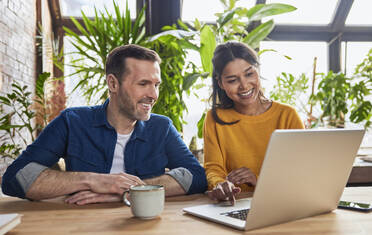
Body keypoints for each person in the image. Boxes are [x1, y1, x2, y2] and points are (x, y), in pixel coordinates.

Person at [1, 44, 207, 205]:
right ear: (113, 83)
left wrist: (130, 192)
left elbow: (197, 176)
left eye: (156, 85)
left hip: (144, 227)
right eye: (143, 84)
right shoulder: (72, 121)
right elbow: (14, 179)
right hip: (82, 227)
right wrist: (95, 181)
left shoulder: (162, 127)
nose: (153, 95)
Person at [204, 42, 304, 205]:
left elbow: (299, 174)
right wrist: (220, 185)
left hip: (282, 203)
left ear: (257, 71)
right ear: (221, 83)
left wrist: (258, 181)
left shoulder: (287, 116)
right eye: (232, 80)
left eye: (249, 74)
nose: (244, 85)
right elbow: (214, 168)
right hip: (235, 205)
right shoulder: (214, 118)